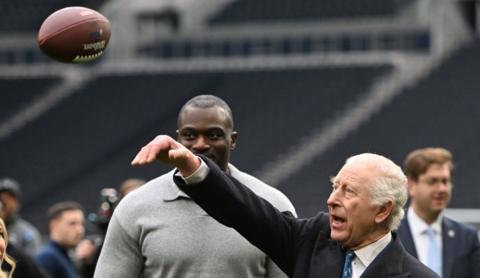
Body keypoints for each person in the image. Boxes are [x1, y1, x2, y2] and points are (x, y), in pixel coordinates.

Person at [130, 135, 439, 278]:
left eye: (348, 192)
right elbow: (245, 210)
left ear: (382, 210)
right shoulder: (312, 239)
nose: (332, 199)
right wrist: (192, 164)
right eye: (335, 187)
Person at [95, 95, 297, 278]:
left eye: (214, 135)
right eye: (190, 135)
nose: (200, 144)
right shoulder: (134, 208)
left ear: (232, 140)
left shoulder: (273, 204)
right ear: (177, 139)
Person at [398, 147, 480, 278]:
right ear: (411, 186)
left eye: (445, 181)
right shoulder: (390, 236)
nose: (441, 189)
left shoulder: (467, 237)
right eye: (433, 181)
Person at [36, 201, 85, 278]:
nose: (80, 230)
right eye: (72, 223)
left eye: (81, 224)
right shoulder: (47, 258)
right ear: (54, 225)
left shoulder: (64, 256)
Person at [0, 178, 42, 257]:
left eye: (9, 198)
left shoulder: (26, 233)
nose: (4, 203)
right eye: (1, 198)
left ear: (17, 203)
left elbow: (31, 265)